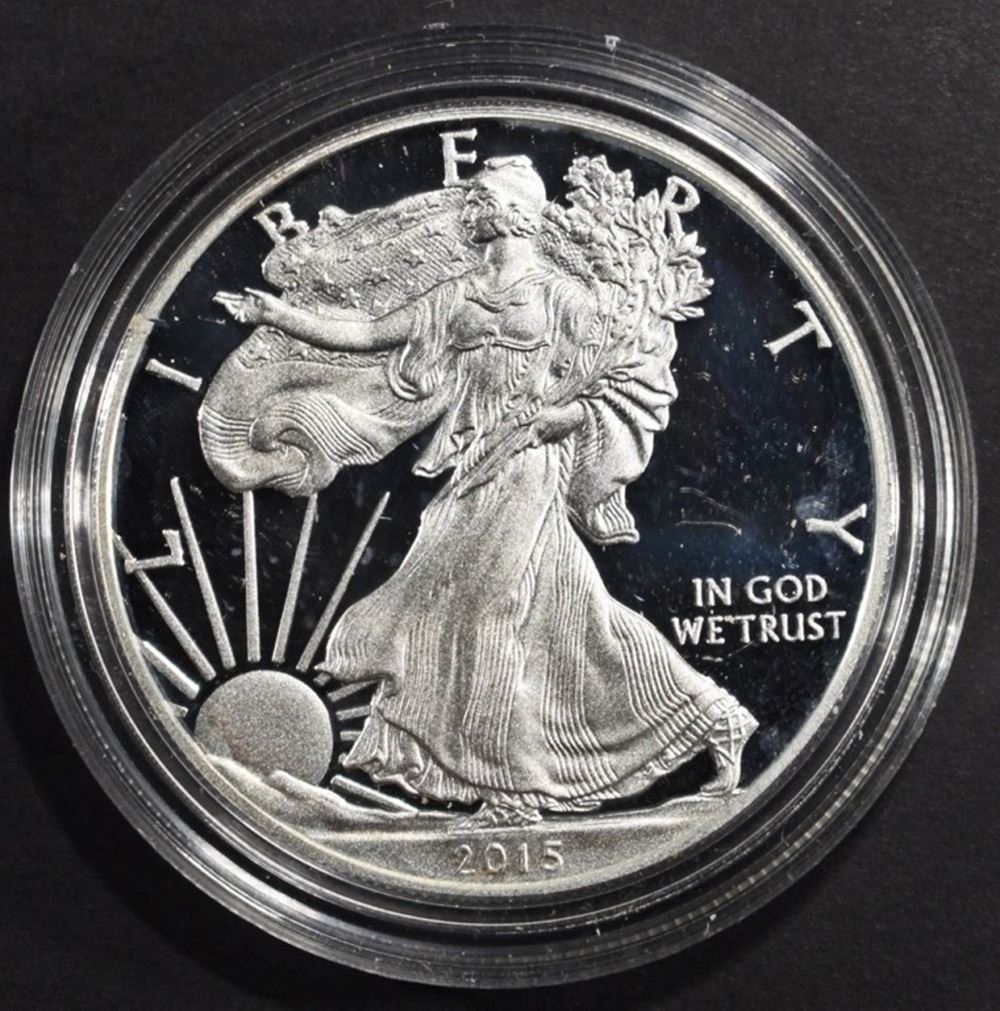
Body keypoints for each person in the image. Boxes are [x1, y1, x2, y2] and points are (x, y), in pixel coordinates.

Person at [216, 155, 757, 827]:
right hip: (476, 465)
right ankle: (713, 716)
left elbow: (623, 380)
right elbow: (369, 334)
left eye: (479, 200)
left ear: (515, 213)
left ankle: (513, 789)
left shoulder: (565, 297)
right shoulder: (458, 295)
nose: (468, 210)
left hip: (532, 462)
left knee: (489, 608)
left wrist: (564, 416)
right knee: (576, 618)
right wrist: (278, 313)